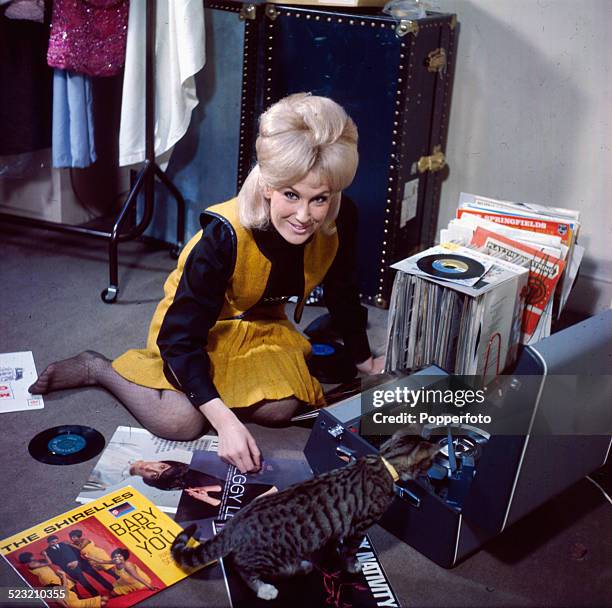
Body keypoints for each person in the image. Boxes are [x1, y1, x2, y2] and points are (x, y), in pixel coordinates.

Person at [29, 93, 384, 474]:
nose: (304, 216)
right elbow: (179, 340)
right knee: (180, 423)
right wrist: (225, 422)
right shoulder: (222, 236)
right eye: (291, 195)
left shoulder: (339, 215)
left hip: (260, 327)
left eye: (320, 199)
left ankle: (215, 389)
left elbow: (342, 289)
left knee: (281, 409)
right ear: (267, 184)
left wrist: (364, 359)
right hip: (195, 330)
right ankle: (98, 367)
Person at [43, 535, 114, 598]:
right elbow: (54, 561)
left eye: (56, 541)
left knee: (96, 576)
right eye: (53, 542)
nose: (55, 543)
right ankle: (96, 596)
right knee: (84, 582)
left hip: (81, 563)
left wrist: (76, 561)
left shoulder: (64, 544)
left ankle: (111, 588)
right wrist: (67, 564)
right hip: (70, 568)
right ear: (48, 542)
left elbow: (76, 551)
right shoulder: (47, 551)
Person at [91, 548, 156, 595]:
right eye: (115, 557)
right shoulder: (115, 561)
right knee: (111, 587)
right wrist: (89, 557)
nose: (117, 558)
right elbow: (102, 561)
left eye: (119, 557)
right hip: (125, 580)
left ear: (124, 557)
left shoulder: (128, 565)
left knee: (112, 594)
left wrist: (150, 586)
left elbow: (137, 577)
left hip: (136, 582)